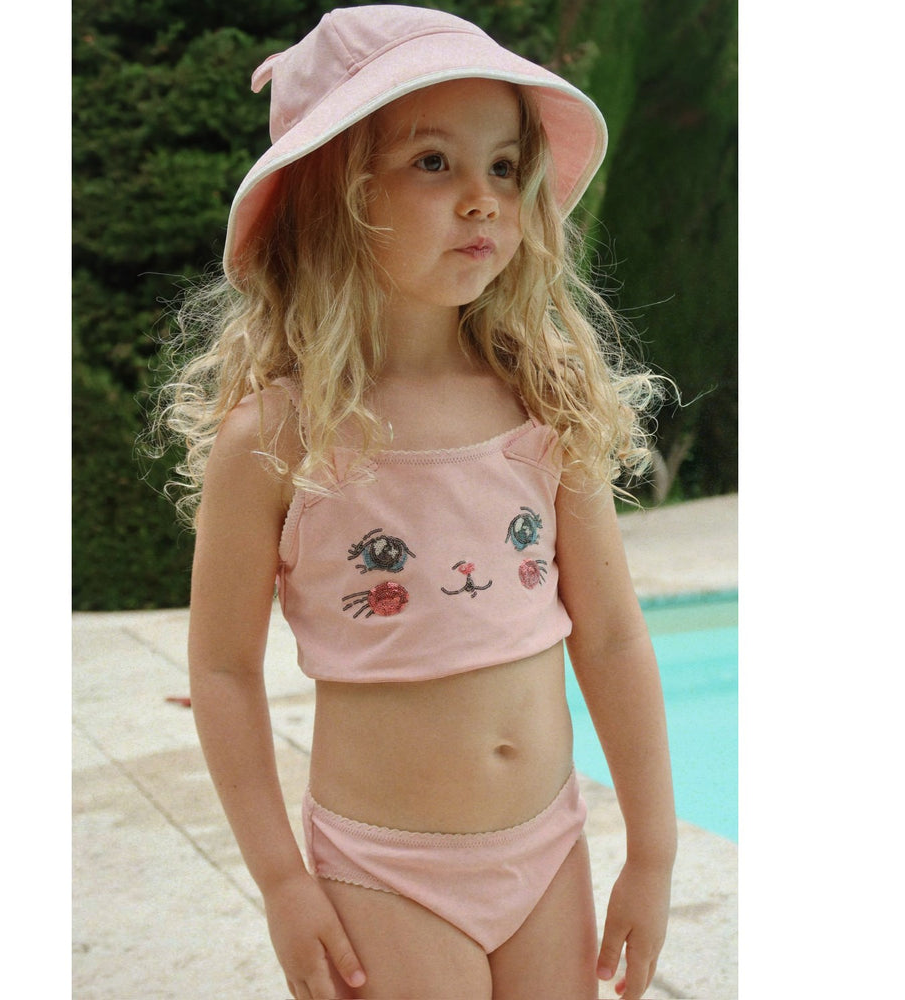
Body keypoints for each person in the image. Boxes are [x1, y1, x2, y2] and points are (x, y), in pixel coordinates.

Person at [157, 6, 676, 998]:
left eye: (504, 167)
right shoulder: (277, 437)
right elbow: (222, 671)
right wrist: (282, 881)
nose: (483, 199)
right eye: (434, 163)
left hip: (547, 849)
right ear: (331, 196)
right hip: (385, 874)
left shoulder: (542, 399)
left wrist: (651, 851)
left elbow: (611, 636)